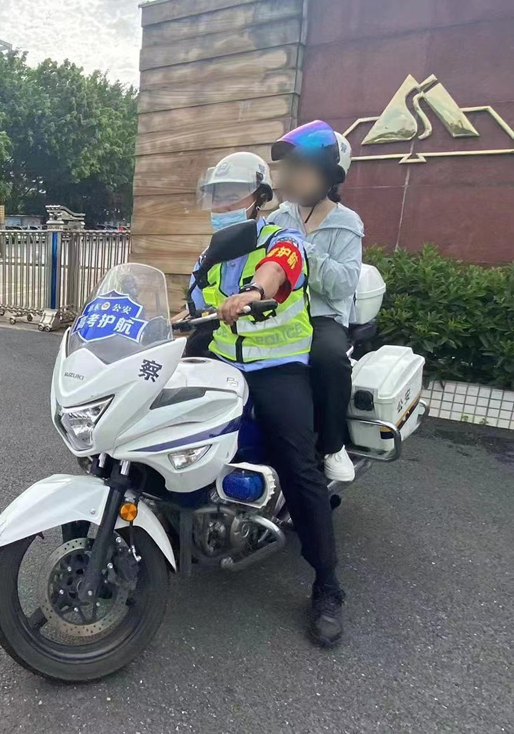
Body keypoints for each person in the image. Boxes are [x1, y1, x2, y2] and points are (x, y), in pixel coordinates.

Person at [185, 151, 345, 646]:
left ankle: (327, 585)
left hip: (277, 368)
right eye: (215, 196)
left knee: (299, 464)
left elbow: (279, 270)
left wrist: (254, 292)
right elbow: (193, 301)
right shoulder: (211, 253)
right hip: (222, 364)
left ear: (258, 197)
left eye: (231, 195)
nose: (221, 205)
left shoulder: (282, 238)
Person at [269, 121, 363, 483]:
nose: (294, 176)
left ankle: (333, 444)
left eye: (304, 168)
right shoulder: (278, 217)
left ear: (329, 176)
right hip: (279, 312)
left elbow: (343, 285)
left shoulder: (347, 223)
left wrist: (302, 253)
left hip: (322, 318)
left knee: (329, 357)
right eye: (292, 168)